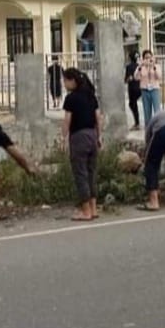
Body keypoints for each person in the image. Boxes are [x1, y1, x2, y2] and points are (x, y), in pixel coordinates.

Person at [62, 68, 104, 221]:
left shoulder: (71, 98)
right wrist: (99, 136)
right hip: (92, 135)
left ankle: (85, 211)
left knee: (80, 173)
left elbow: (67, 120)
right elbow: (98, 118)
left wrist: (63, 138)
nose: (64, 83)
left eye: (65, 80)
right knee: (91, 172)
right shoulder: (91, 96)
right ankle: (93, 208)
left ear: (72, 81)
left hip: (79, 137)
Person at [134, 50, 163, 125]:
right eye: (146, 58)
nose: (148, 59)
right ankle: (148, 129)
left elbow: (159, 76)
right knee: (147, 112)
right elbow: (136, 77)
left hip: (155, 90)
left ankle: (158, 127)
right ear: (143, 59)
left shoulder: (156, 66)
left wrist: (153, 66)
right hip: (145, 90)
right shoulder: (141, 67)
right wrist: (140, 66)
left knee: (157, 110)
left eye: (149, 57)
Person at [125, 52, 142, 131]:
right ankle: (138, 123)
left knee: (132, 104)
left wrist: (128, 79)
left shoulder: (129, 66)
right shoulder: (140, 66)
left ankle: (137, 123)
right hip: (141, 87)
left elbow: (127, 79)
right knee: (134, 104)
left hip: (132, 88)